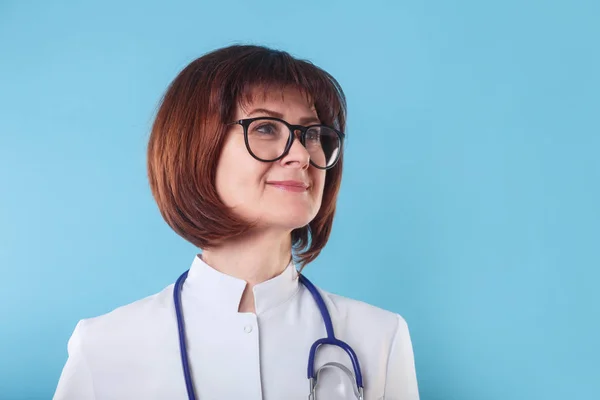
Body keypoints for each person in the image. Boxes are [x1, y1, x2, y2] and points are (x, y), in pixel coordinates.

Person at [53, 44, 420, 400]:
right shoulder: (103, 348)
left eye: (312, 134)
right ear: (197, 148)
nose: (300, 155)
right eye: (265, 128)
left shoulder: (380, 338)